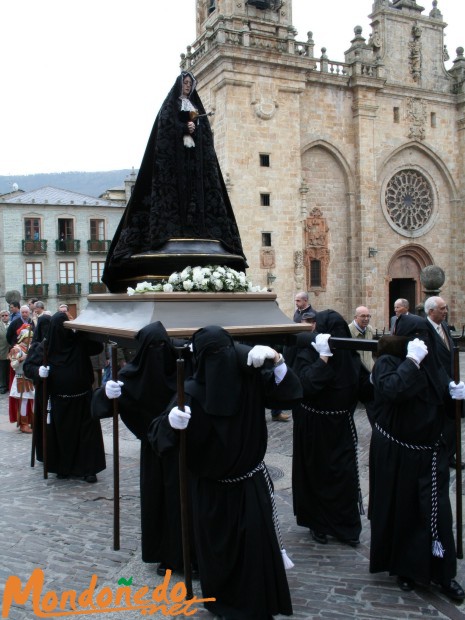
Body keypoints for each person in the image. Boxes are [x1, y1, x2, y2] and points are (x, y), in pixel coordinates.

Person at [148, 326, 303, 619]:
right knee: (218, 553)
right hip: (211, 489)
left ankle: (255, 604)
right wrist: (171, 421)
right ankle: (223, 603)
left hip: (248, 484)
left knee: (252, 551)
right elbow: (158, 437)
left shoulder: (250, 380)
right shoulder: (191, 392)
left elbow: (289, 395)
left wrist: (278, 359)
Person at [102, 71, 247, 293]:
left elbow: (205, 138)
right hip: (172, 168)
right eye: (185, 83)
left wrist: (195, 130)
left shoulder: (195, 106)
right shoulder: (169, 107)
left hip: (194, 168)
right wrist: (182, 128)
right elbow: (165, 132)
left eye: (190, 83)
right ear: (180, 85)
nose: (188, 86)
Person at [368, 313, 465, 601]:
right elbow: (391, 391)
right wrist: (411, 363)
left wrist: (457, 397)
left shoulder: (435, 362)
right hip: (401, 452)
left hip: (432, 453)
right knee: (405, 513)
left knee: (439, 515)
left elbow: (445, 405)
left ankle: (443, 574)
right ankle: (405, 569)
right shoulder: (389, 361)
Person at [92, 322, 188, 573]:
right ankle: (164, 554)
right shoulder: (131, 376)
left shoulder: (181, 369)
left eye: (161, 346)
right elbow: (100, 408)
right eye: (152, 346)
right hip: (153, 451)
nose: (157, 351)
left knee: (185, 502)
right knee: (158, 503)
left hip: (184, 449)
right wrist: (107, 393)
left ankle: (189, 553)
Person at [291, 309, 373, 547]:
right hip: (315, 426)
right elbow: (306, 386)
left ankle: (345, 525)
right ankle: (317, 523)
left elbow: (364, 389)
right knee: (317, 475)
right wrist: (323, 359)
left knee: (343, 475)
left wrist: (379, 375)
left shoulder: (348, 356)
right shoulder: (308, 352)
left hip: (341, 426)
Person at [34, 312, 106, 482]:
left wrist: (82, 329)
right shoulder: (46, 347)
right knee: (63, 436)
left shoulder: (79, 342)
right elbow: (29, 365)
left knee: (86, 437)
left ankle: (88, 469)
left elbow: (98, 347)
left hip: (83, 399)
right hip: (60, 400)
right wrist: (39, 372)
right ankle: (63, 467)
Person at [424, 296, 463, 469]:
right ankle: (439, 455)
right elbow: (432, 362)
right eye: (442, 309)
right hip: (436, 384)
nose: (446, 311)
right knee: (439, 421)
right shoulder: (424, 330)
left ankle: (449, 455)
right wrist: (446, 382)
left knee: (454, 419)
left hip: (450, 381)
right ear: (431, 311)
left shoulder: (445, 326)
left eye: (446, 308)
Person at [23, 314, 53, 462]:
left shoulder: (56, 343)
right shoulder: (35, 346)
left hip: (55, 389)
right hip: (42, 389)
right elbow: (27, 368)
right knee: (42, 421)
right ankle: (43, 452)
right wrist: (38, 372)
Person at [8, 324, 35, 433]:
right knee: (24, 401)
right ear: (25, 338)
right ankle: (24, 423)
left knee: (33, 400)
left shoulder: (32, 348)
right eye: (30, 337)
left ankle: (33, 421)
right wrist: (20, 359)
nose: (32, 339)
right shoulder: (17, 349)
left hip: (31, 378)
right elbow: (13, 364)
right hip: (21, 378)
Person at [348, 305, 375, 372]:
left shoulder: (370, 329)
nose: (366, 319)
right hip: (356, 372)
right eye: (363, 316)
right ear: (355, 317)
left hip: (369, 371)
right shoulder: (348, 331)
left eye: (368, 316)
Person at [0, 310, 10, 393]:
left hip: (11, 351)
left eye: (6, 315)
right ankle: (2, 386)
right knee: (2, 370)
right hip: (2, 351)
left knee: (9, 370)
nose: (4, 317)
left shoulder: (12, 324)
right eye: (2, 315)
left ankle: (9, 385)